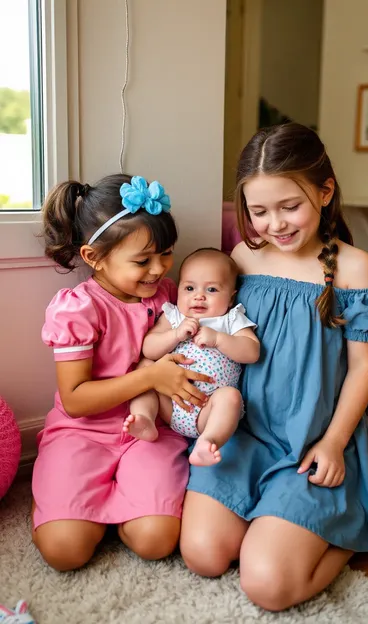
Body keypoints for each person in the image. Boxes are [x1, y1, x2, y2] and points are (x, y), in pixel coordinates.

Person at [181, 123, 368, 611]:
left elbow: (363, 368)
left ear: (325, 192)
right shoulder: (243, 257)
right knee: (203, 555)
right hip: (246, 433)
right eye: (259, 211)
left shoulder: (354, 268)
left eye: (290, 207)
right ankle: (275, 522)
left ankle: (350, 529)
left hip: (313, 439)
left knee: (267, 585)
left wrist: (333, 442)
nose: (275, 224)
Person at [32, 174, 213, 571]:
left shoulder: (168, 294)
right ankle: (73, 503)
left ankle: (125, 504)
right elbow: (77, 399)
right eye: (142, 260)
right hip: (82, 432)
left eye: (166, 254)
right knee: (65, 552)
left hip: (150, 428)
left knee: (156, 541)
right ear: (94, 257)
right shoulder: (77, 309)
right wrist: (150, 377)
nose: (159, 269)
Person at [124, 247, 260, 466]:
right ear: (179, 290)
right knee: (145, 367)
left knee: (231, 397)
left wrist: (218, 339)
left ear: (231, 295)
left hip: (209, 409)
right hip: (169, 404)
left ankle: (208, 441)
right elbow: (149, 348)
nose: (199, 296)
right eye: (189, 288)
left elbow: (252, 352)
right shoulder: (175, 316)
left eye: (212, 289)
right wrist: (175, 335)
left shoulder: (230, 319)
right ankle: (145, 418)